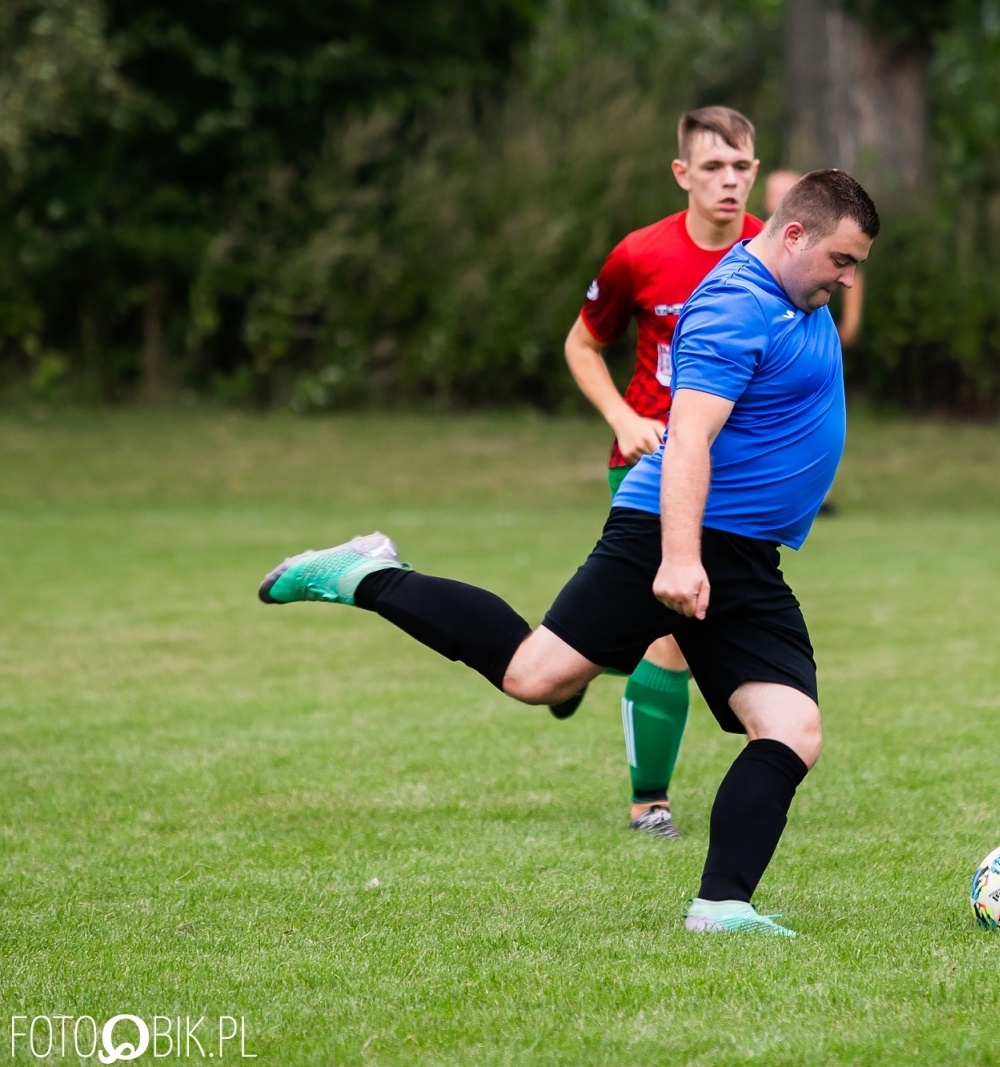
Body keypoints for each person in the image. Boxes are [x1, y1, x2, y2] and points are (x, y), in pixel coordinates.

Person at [257, 168, 879, 937]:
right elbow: (688, 439)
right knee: (534, 675)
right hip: (670, 530)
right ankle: (368, 572)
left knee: (792, 727)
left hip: (746, 556)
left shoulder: (794, 289)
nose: (848, 279)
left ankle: (721, 905)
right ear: (792, 237)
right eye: (843, 262)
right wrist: (679, 559)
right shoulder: (736, 306)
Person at [560, 107, 765, 840]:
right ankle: (651, 803)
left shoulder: (773, 251)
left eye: (742, 166)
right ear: (682, 174)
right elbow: (582, 344)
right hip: (648, 466)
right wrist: (621, 417)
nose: (730, 182)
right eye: (714, 167)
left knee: (663, 624)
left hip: (733, 476)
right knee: (671, 629)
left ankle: (577, 662)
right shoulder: (639, 256)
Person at [764, 169, 862, 347]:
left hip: (819, 329)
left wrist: (850, 322)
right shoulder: (757, 239)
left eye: (791, 193)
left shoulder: (823, 235)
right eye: (779, 194)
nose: (785, 200)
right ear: (767, 200)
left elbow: (854, 276)